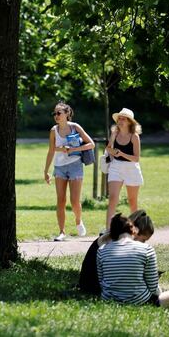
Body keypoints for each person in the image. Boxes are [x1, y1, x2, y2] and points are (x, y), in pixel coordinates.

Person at [97, 213, 169, 308]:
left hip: (109, 300)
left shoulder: (102, 250)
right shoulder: (146, 249)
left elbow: (102, 282)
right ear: (133, 230)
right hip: (140, 300)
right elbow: (153, 287)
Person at [43, 102, 93, 239]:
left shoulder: (75, 127)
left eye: (59, 113)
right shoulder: (53, 130)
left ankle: (78, 220)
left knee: (75, 200)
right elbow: (51, 150)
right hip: (59, 167)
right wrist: (46, 171)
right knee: (61, 200)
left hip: (75, 166)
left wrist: (73, 149)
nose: (56, 116)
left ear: (67, 114)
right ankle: (62, 232)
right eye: (54, 113)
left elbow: (91, 144)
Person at [79, 209, 155, 295]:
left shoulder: (116, 235)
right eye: (143, 240)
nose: (143, 243)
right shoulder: (114, 240)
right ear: (135, 231)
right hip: (93, 284)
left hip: (93, 283)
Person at [105, 108, 143, 230]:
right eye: (119, 118)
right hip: (116, 167)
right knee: (112, 199)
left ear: (130, 122)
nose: (120, 121)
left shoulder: (134, 136)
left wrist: (121, 154)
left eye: (123, 119)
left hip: (131, 168)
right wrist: (113, 151)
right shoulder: (114, 133)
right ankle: (108, 230)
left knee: (132, 201)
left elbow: (136, 158)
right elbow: (108, 148)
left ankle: (135, 229)